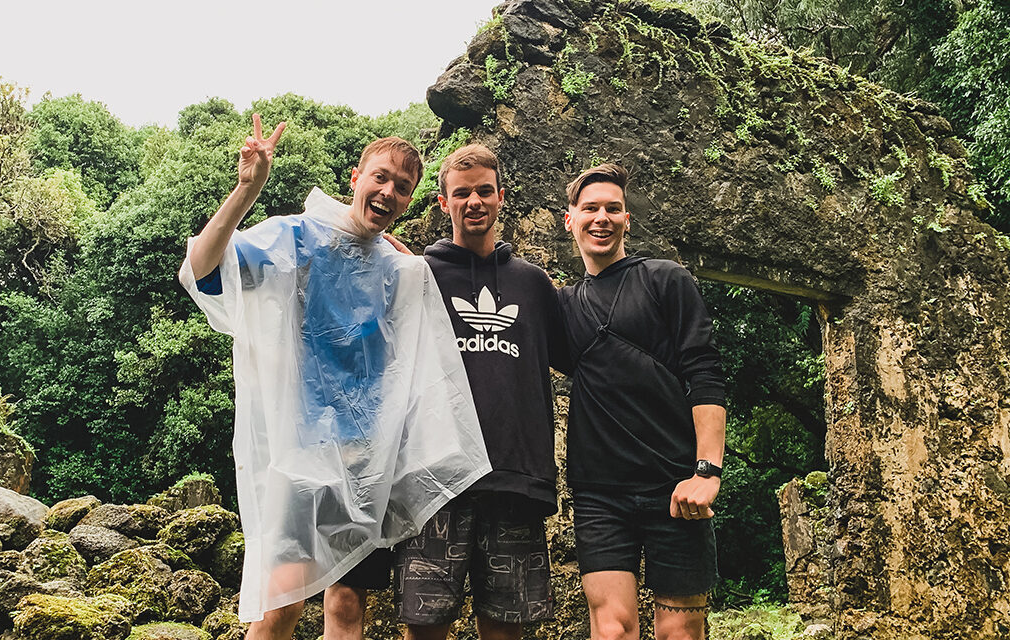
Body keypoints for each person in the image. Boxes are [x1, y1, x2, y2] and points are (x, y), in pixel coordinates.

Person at [178, 115, 490, 640]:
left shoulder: (397, 269)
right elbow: (206, 271)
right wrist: (246, 189)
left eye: (403, 188)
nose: (389, 192)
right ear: (356, 177)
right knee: (280, 607)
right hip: (303, 457)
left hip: (368, 466)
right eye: (381, 177)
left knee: (347, 611)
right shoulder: (299, 237)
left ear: (410, 202)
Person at [383, 143, 569, 640]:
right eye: (461, 193)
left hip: (514, 481)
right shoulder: (417, 275)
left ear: (501, 196)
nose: (474, 202)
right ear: (443, 203)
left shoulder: (533, 285)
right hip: (434, 482)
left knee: (507, 630)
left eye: (484, 191)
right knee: (424, 627)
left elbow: (582, 359)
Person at [558, 163, 727, 640]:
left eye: (613, 208)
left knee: (681, 633)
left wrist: (707, 470)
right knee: (612, 629)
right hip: (600, 493)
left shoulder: (665, 280)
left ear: (627, 220)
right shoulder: (564, 306)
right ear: (569, 219)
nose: (601, 217)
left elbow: (705, 372)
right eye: (589, 208)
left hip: (676, 487)